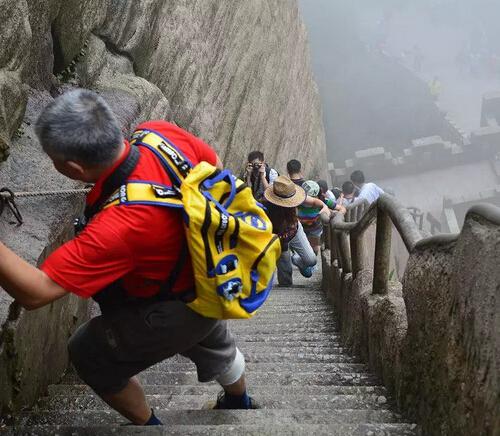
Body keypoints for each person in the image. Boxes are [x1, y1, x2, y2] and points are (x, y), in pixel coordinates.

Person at [0, 89, 258, 426]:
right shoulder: (158, 133)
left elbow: (36, 291)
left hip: (172, 303)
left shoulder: (119, 226)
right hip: (211, 277)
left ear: (74, 167)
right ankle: (239, 402)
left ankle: (149, 428)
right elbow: (215, 167)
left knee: (87, 352)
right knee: (213, 339)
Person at [262, 176, 322, 284]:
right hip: (279, 240)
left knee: (312, 260)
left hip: (295, 231)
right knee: (286, 281)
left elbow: (314, 202)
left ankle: (296, 259)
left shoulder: (295, 197)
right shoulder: (266, 206)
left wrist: (325, 208)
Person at [298, 180, 346, 256]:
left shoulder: (323, 201)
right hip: (300, 229)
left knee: (314, 250)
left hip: (315, 230)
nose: (308, 200)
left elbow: (342, 209)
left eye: (311, 197)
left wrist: (337, 216)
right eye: (307, 197)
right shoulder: (298, 201)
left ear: (317, 195)